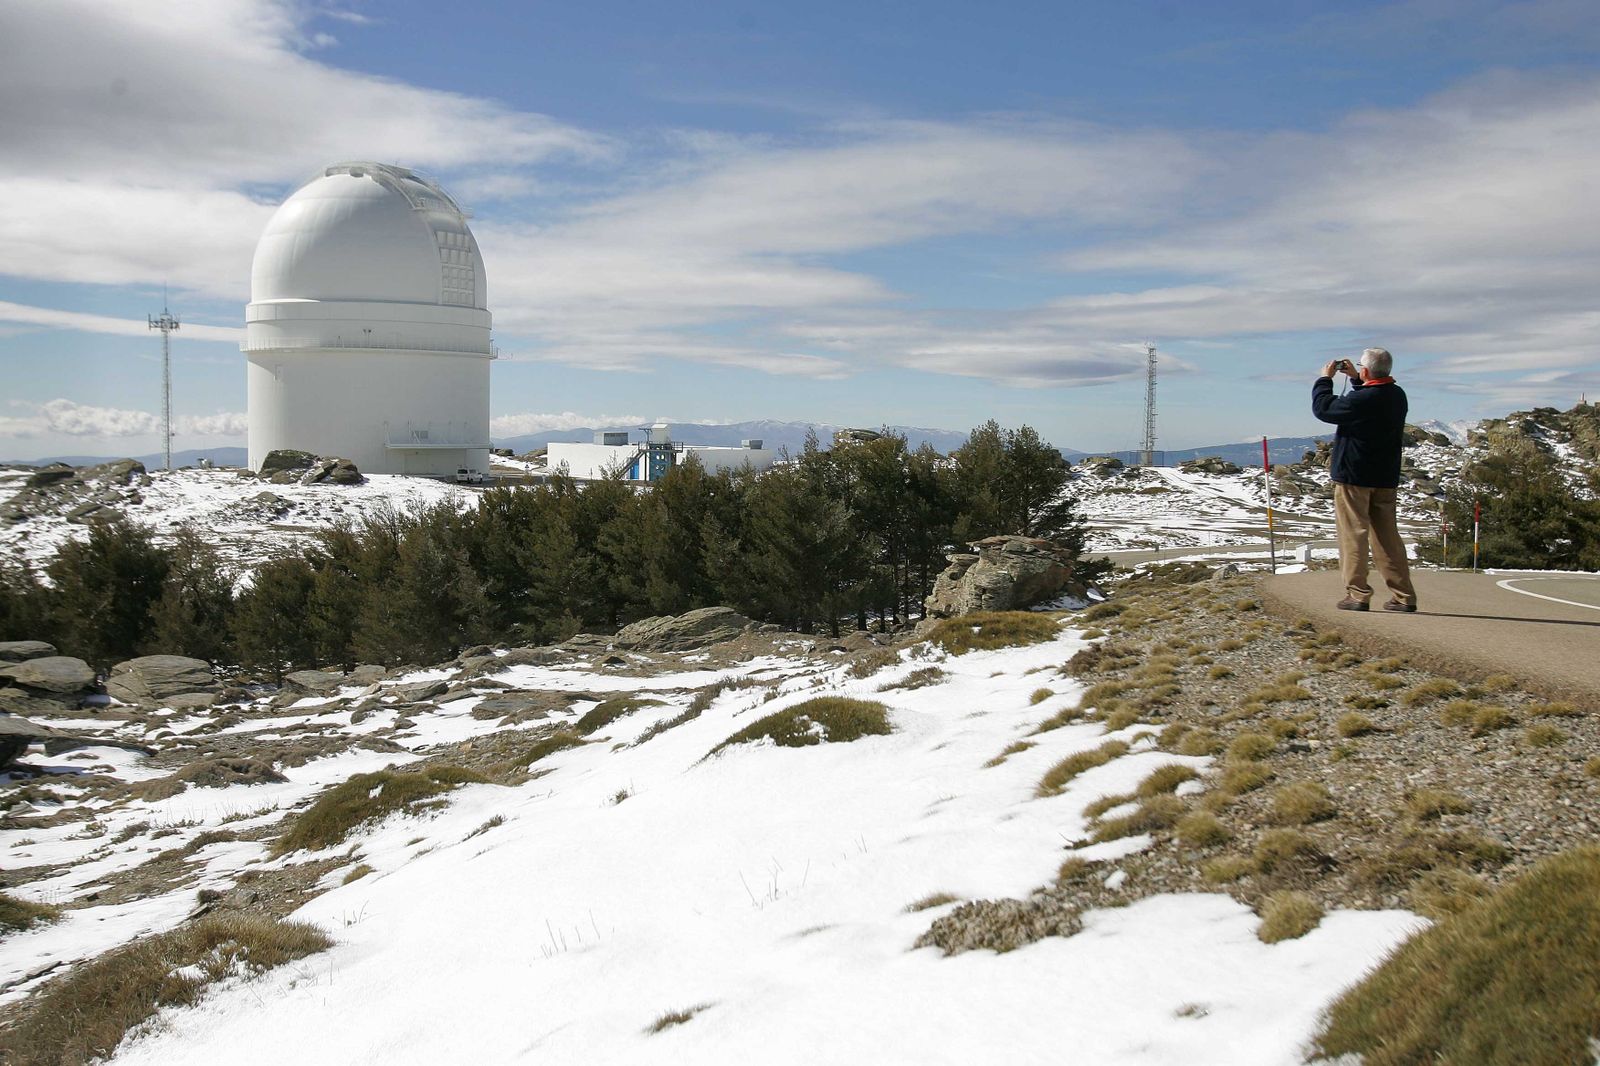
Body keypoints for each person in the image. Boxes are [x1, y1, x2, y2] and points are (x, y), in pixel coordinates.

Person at [1311, 347, 1418, 612]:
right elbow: (1372, 397)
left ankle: (1358, 594)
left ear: (1367, 370)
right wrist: (1358, 380)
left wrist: (1325, 380)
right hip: (1385, 477)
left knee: (1353, 535)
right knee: (1387, 538)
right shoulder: (1397, 395)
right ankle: (1404, 596)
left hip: (1354, 477)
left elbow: (1324, 409)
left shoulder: (1362, 400)